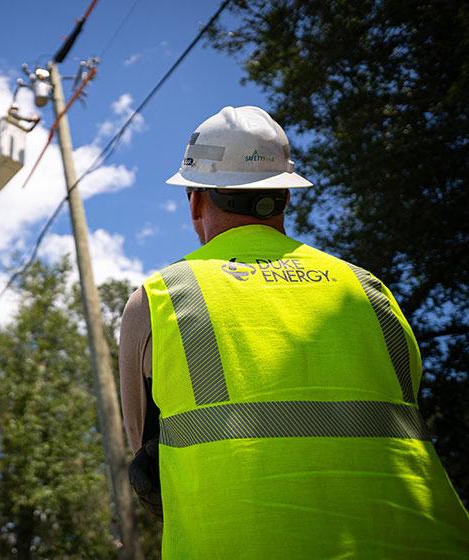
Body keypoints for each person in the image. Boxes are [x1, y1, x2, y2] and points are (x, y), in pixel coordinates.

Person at [120, 106, 469, 557]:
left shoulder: (161, 296)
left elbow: (149, 472)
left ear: (196, 200)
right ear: (284, 196)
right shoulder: (367, 287)